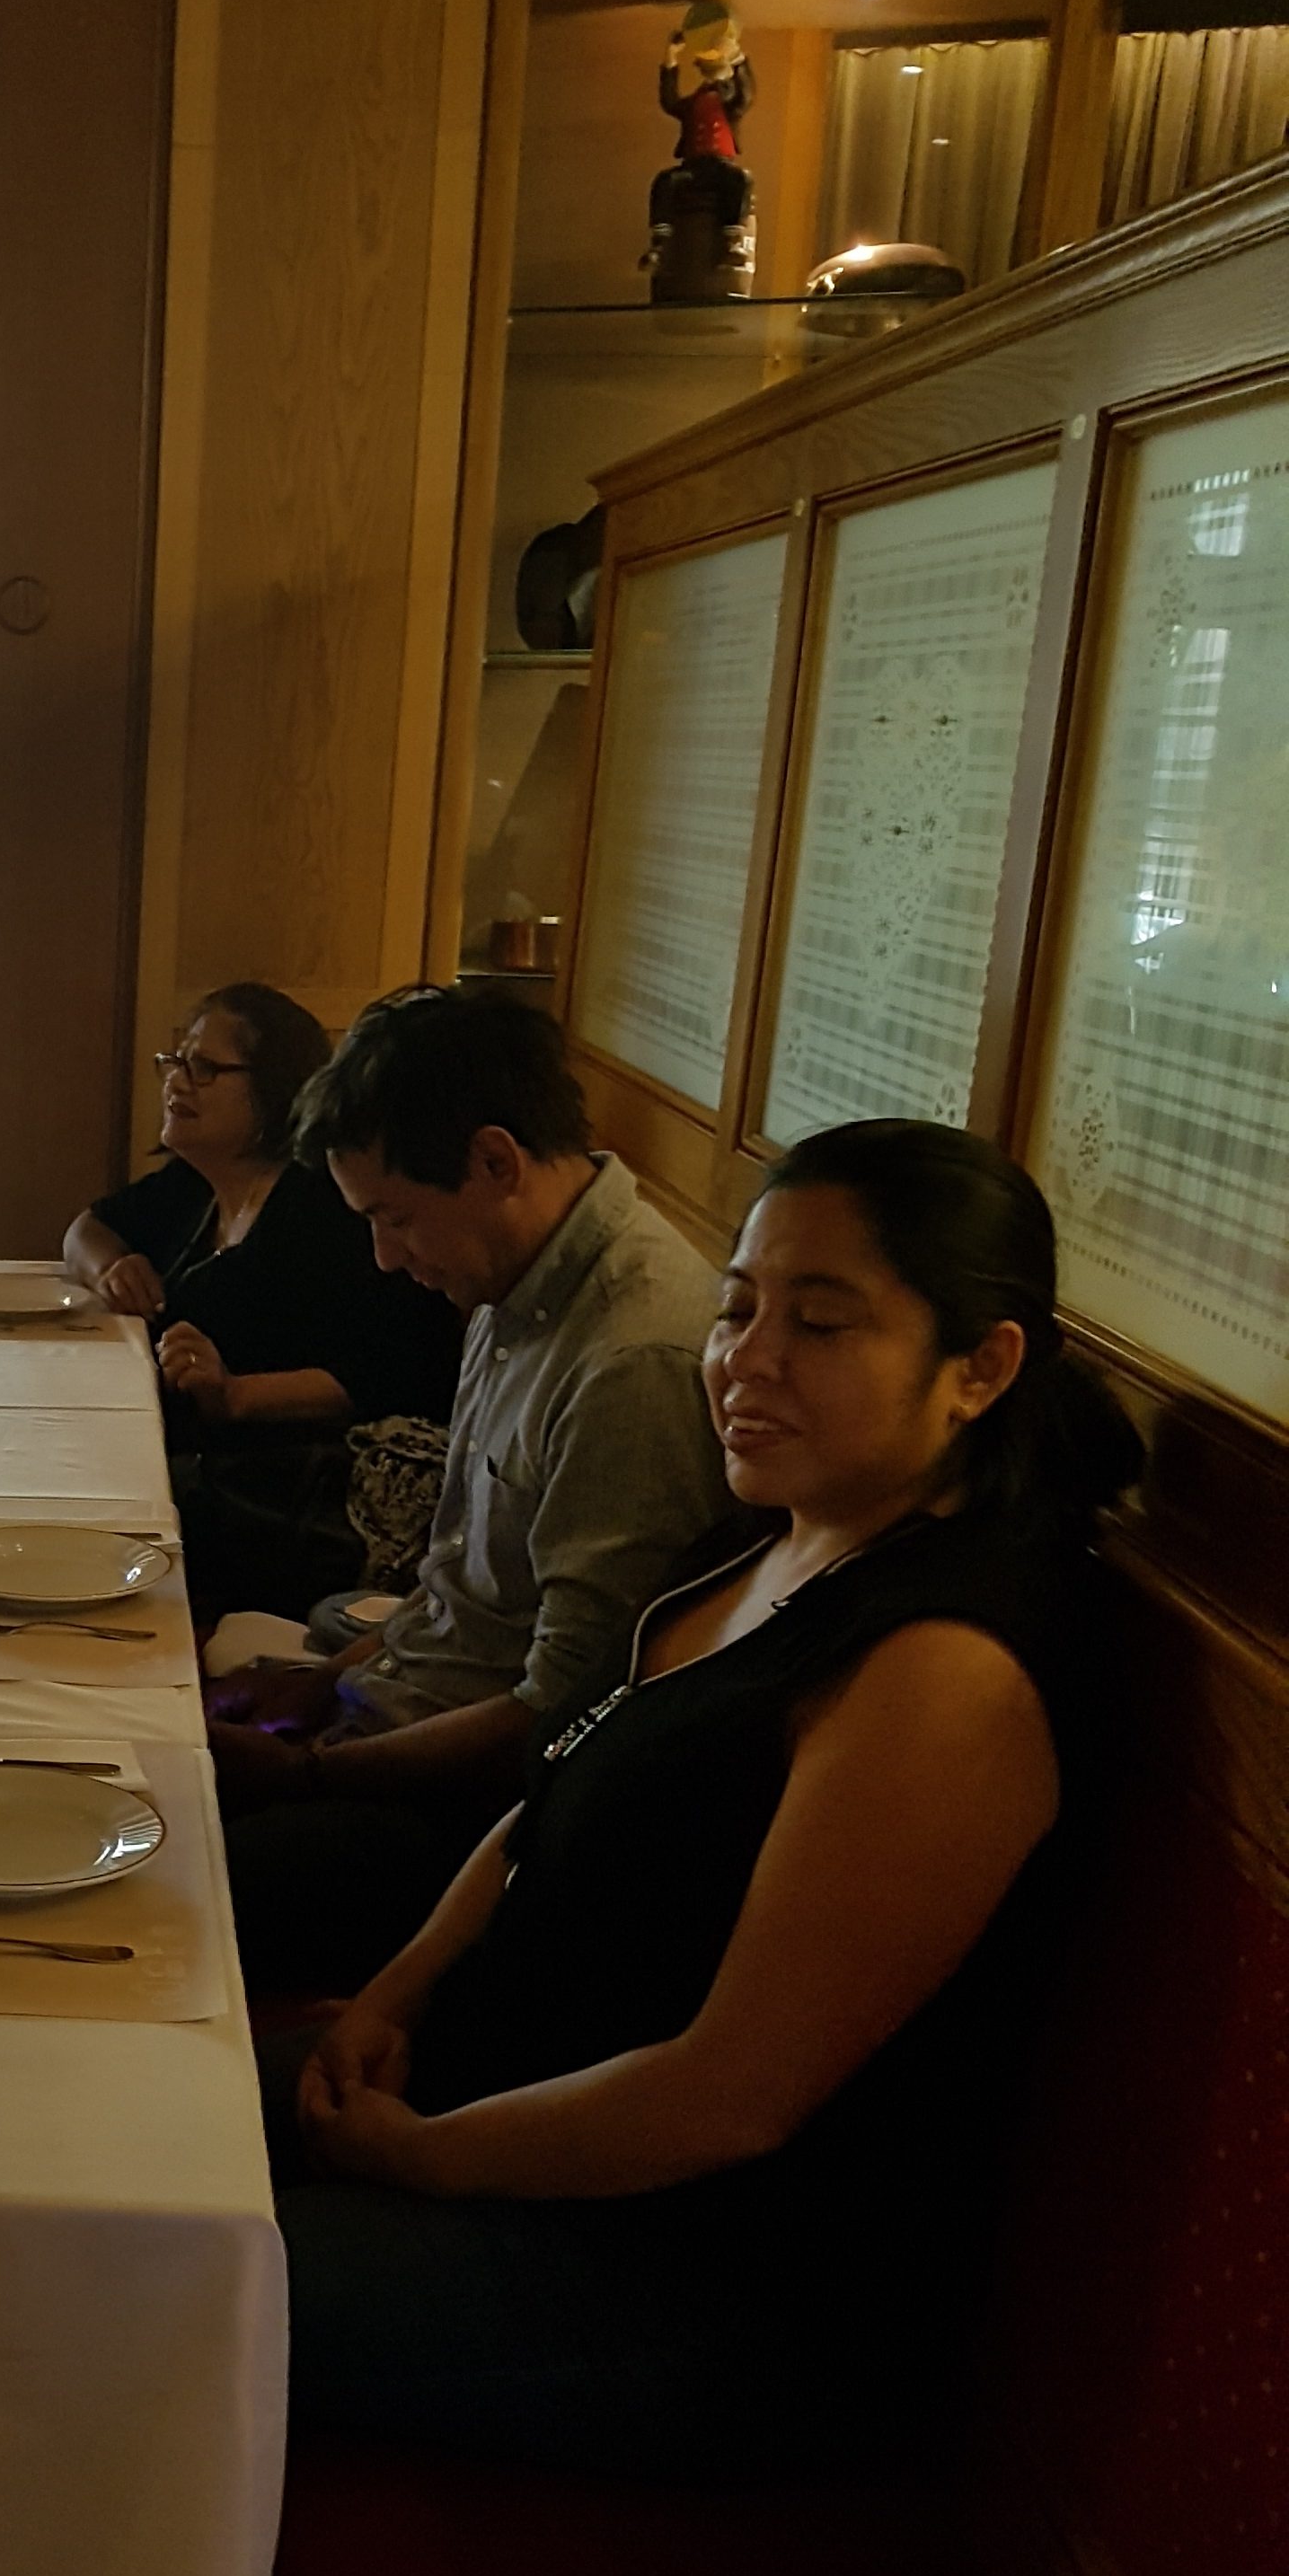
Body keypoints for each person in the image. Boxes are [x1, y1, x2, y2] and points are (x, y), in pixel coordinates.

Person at [267, 1120, 1143, 2478]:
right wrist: (393, 1996)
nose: (748, 1360)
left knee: (135, 2271)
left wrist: (422, 2159)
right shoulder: (774, 1532)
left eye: (822, 1322)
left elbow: (729, 2099)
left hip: (674, 2272)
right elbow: (553, 1795)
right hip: (499, 2103)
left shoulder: (946, 1668)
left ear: (981, 1367)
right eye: (739, 1309)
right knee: (119, 2125)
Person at [213, 985, 732, 1991]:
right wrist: (325, 1683)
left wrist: (309, 1770)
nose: (385, 1257)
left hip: (472, 1818)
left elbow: (561, 1715)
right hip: (388, 1724)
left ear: (496, 1162)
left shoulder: (632, 1362)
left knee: (163, 1878)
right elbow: (460, 1592)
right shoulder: (512, 1280)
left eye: (395, 1218)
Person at [63, 983, 462, 1615]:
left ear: (275, 1087)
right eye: (177, 1061)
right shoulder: (196, 1185)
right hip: (187, 1453)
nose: (177, 1082)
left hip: (287, 1493)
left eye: (205, 1067)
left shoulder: (324, 1206)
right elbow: (85, 1228)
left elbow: (390, 1372)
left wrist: (236, 1394)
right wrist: (111, 1265)